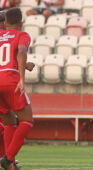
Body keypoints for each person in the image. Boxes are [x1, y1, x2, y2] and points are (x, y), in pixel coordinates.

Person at [0, 8, 34, 170]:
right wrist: (22, 78)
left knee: (9, 122)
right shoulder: (22, 35)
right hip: (10, 80)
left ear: (5, 23)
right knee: (27, 120)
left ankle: (9, 164)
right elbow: (21, 51)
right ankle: (9, 159)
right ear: (21, 22)